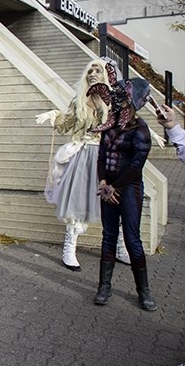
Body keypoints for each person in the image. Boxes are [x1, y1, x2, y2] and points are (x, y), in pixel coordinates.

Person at [36, 58, 131, 271]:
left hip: (109, 157)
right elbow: (66, 123)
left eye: (97, 70)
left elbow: (128, 124)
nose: (93, 73)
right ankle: (69, 249)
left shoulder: (116, 101)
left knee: (117, 201)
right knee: (77, 202)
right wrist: (54, 115)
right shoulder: (79, 101)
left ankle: (119, 247)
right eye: (90, 70)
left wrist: (150, 133)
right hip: (84, 157)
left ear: (106, 75)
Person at [91, 77, 157, 311]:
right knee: (108, 236)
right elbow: (101, 158)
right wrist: (103, 182)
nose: (116, 99)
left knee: (132, 239)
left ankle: (144, 291)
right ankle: (104, 287)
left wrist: (114, 188)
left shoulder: (140, 129)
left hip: (128, 189)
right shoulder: (108, 125)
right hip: (108, 187)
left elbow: (136, 165)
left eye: (122, 95)